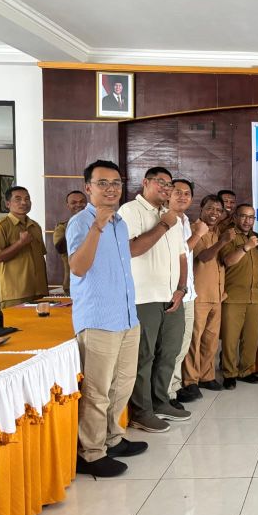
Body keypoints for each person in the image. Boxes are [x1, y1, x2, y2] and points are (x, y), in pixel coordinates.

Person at [67, 160, 145, 478]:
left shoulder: (120, 223)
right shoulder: (80, 223)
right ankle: (91, 452)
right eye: (103, 183)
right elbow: (78, 267)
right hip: (98, 319)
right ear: (88, 188)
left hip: (126, 317)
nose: (111, 189)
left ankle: (112, 439)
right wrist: (97, 226)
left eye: (116, 183)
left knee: (122, 385)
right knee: (97, 391)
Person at [117, 167, 190, 433]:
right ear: (145, 182)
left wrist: (181, 288)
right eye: (161, 182)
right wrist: (164, 225)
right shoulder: (130, 211)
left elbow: (182, 256)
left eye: (169, 184)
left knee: (169, 352)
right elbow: (132, 249)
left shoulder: (170, 216)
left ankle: (160, 402)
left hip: (172, 296)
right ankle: (141, 411)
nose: (166, 188)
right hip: (144, 297)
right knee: (144, 356)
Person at [182, 195, 235, 394]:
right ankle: (190, 380)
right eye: (210, 208)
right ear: (202, 208)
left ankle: (207, 376)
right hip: (199, 295)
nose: (214, 213)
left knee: (211, 341)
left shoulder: (217, 231)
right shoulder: (194, 229)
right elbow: (203, 257)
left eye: (218, 210)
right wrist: (222, 242)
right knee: (194, 340)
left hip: (217, 295)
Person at [166, 179, 202, 408]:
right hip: (172, 294)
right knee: (171, 347)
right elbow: (177, 252)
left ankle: (175, 387)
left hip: (188, 293)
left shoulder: (186, 220)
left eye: (187, 193)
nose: (182, 196)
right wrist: (198, 235)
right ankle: (166, 395)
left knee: (182, 346)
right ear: (167, 194)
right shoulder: (165, 220)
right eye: (177, 192)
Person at [219, 204, 258, 388]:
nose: (247, 220)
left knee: (251, 338)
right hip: (233, 296)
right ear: (235, 217)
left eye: (251, 217)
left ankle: (246, 371)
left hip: (255, 296)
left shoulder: (256, 238)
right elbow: (228, 261)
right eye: (244, 216)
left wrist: (251, 243)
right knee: (230, 338)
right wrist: (246, 247)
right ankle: (229, 373)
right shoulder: (228, 236)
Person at [0, 186, 49, 307]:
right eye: (18, 199)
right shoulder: (0, 227)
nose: (24, 202)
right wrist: (20, 243)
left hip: (40, 292)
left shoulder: (35, 226)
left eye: (27, 199)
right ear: (8, 204)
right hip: (15, 294)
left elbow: (41, 257)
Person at [52, 190, 87, 293]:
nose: (78, 205)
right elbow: (60, 248)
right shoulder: (62, 227)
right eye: (74, 203)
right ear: (68, 205)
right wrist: (73, 228)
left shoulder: (96, 223)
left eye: (82, 202)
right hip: (73, 283)